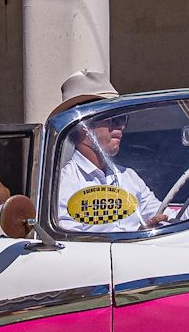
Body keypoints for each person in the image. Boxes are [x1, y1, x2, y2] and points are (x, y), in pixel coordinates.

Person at [51, 71, 170, 232]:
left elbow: (170, 217)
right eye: (113, 118)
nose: (120, 126)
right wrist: (135, 236)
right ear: (83, 125)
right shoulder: (64, 185)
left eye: (123, 118)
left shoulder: (129, 177)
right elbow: (71, 249)